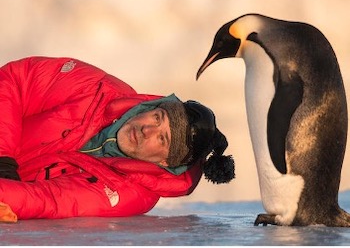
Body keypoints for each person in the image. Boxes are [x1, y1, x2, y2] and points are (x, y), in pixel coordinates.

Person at [0, 56, 235, 222]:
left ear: (165, 162)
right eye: (157, 116)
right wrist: (3, 157)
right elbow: (15, 80)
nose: (147, 129)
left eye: (162, 139)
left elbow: (49, 200)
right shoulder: (95, 88)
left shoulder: (128, 194)